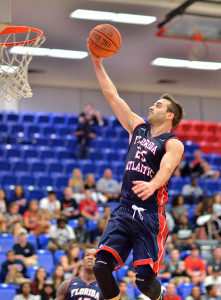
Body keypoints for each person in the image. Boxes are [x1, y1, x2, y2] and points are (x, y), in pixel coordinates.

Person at [88, 42, 184, 300]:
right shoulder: (138, 128)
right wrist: (97, 63)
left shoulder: (173, 143)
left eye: (158, 106)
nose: (152, 107)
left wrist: (153, 184)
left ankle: (160, 295)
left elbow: (166, 169)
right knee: (100, 266)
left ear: (169, 116)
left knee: (143, 281)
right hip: (124, 207)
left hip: (151, 214)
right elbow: (112, 95)